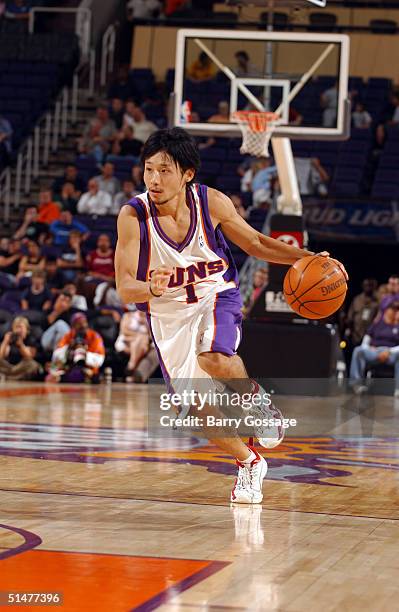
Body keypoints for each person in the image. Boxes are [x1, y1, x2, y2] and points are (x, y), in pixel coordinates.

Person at [115, 127, 348, 504]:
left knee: (215, 357)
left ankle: (253, 400)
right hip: (168, 315)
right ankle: (249, 462)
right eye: (149, 169)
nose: (154, 179)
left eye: (164, 170)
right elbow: (125, 288)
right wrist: (153, 288)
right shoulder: (133, 215)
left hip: (214, 294)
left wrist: (308, 258)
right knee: (197, 409)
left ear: (187, 173)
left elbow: (255, 242)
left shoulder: (212, 203)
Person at [350, 302, 399, 397]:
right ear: (387, 310)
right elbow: (366, 340)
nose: (394, 312)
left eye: (396, 310)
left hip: (391, 353)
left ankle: (398, 390)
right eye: (392, 309)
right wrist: (369, 348)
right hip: (375, 351)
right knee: (358, 350)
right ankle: (357, 384)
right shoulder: (378, 324)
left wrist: (389, 351)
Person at [46, 313, 105, 384]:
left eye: (84, 322)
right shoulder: (68, 336)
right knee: (51, 370)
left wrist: (85, 354)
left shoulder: (94, 336)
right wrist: (69, 348)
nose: (83, 325)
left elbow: (100, 358)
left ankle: (63, 378)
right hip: (69, 366)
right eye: (79, 323)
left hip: (88, 368)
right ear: (73, 326)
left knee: (84, 374)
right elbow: (56, 354)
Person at [0, 316, 40, 381]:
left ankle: (8, 378)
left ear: (27, 330)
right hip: (8, 367)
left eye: (21, 327)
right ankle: (11, 378)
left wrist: (21, 345)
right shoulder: (9, 339)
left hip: (21, 368)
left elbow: (29, 357)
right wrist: (5, 342)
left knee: (33, 365)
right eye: (16, 327)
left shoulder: (31, 340)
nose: (18, 330)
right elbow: (1, 357)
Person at [114, 310, 151, 379]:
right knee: (141, 339)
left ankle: (131, 364)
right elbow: (124, 331)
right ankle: (133, 372)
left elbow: (150, 337)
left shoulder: (149, 319)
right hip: (126, 341)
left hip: (140, 344)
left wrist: (146, 324)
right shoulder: (129, 315)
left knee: (141, 341)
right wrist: (138, 336)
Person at [344, 278, 379, 348]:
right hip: (355, 334)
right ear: (363, 286)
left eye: (369, 285)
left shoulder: (376, 302)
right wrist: (348, 329)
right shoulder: (357, 299)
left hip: (369, 335)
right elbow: (350, 316)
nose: (367, 287)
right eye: (366, 285)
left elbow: (377, 319)